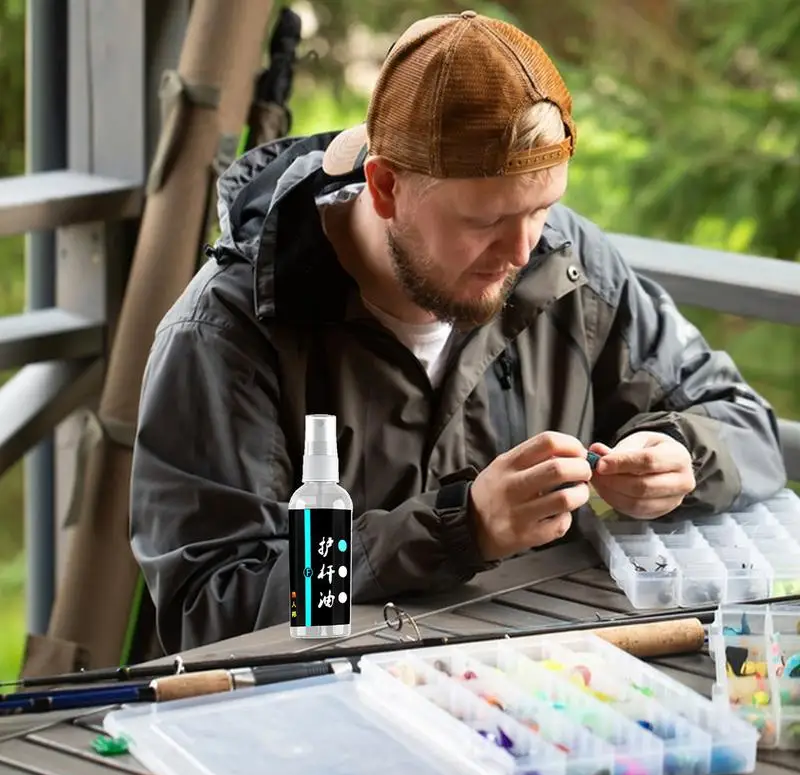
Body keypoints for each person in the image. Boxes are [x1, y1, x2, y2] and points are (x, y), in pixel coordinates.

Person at [130, 11, 786, 653]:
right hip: (331, 719)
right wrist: (459, 528)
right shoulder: (227, 336)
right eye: (484, 221)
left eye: (542, 207)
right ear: (383, 187)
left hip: (550, 692)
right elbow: (211, 609)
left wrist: (681, 456)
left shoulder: (568, 262)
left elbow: (745, 425)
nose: (523, 250)